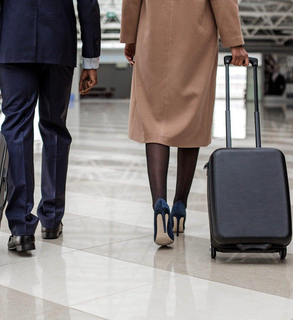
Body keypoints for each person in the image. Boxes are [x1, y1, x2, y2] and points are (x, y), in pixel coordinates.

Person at [0, 0, 101, 252]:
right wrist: (90, 60)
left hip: (14, 43)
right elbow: (88, 5)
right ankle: (51, 219)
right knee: (55, 129)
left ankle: (21, 228)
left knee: (16, 129)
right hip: (58, 45)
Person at [121, 0, 249, 246]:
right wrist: (235, 42)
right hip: (195, 38)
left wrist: (130, 36)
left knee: (154, 121)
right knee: (191, 119)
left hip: (152, 36)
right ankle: (180, 207)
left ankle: (159, 204)